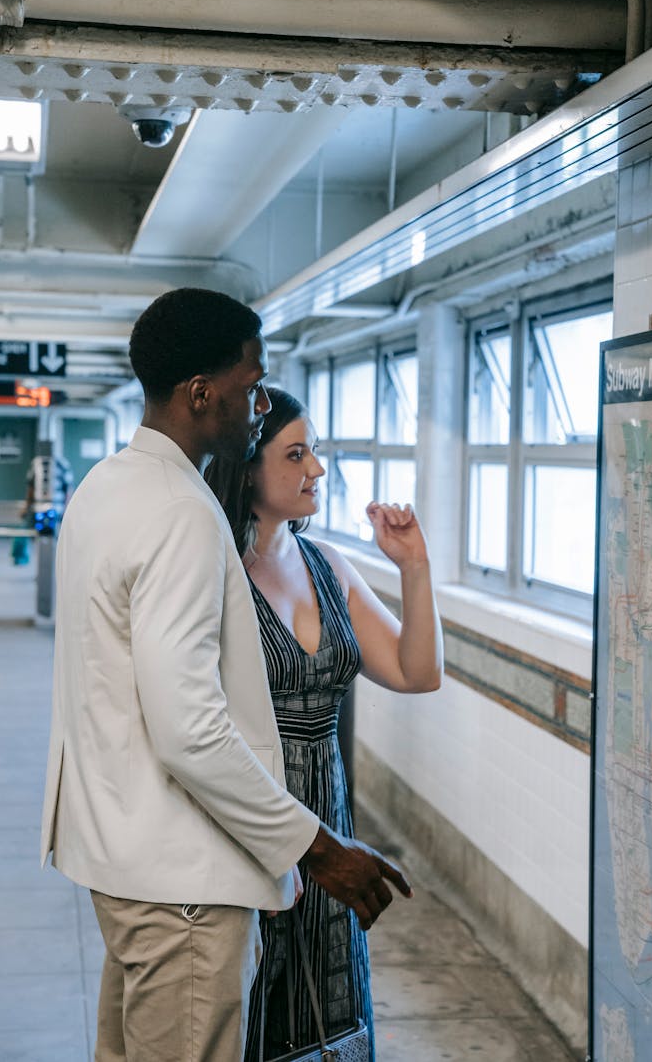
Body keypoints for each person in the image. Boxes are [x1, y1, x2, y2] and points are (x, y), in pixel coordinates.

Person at [40, 289, 412, 1062]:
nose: (262, 400)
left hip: (122, 859)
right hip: (183, 887)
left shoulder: (106, 488)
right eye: (253, 382)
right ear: (201, 393)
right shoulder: (181, 509)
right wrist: (317, 846)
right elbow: (189, 727)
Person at [204, 387, 442, 1062]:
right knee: (250, 1020)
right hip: (251, 828)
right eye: (297, 453)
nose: (318, 468)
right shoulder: (216, 573)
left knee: (328, 1027)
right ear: (248, 467)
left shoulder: (326, 565)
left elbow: (416, 669)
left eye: (318, 451)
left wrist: (414, 567)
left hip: (331, 832)